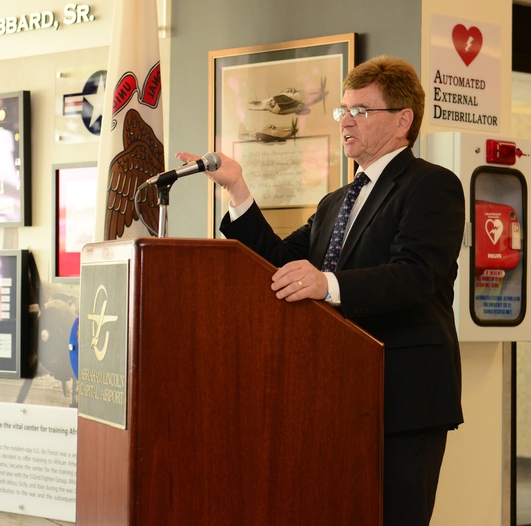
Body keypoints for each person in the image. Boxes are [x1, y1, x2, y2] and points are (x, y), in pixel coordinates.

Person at [177, 55, 465, 525]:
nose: (346, 121)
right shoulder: (337, 201)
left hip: (404, 396)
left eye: (361, 111)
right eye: (342, 110)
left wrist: (326, 283)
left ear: (403, 121)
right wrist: (238, 189)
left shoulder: (432, 185)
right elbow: (279, 263)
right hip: (336, 391)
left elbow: (416, 275)